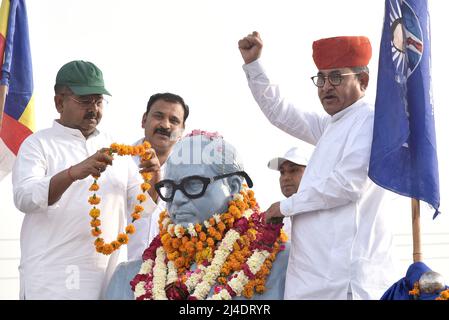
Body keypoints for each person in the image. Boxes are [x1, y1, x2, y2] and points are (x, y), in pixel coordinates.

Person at [238, 31, 396, 299]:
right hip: (311, 283)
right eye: (320, 79)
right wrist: (254, 65)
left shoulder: (368, 121)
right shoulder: (331, 126)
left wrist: (286, 206)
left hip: (344, 284)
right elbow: (280, 112)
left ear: (363, 81)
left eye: (336, 77)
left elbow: (348, 185)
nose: (325, 87)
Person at [12, 60, 157, 299]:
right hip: (50, 281)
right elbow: (24, 197)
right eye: (84, 101)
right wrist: (72, 173)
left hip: (103, 281)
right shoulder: (38, 144)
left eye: (98, 101)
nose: (94, 108)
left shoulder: (115, 149)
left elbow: (142, 208)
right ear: (59, 102)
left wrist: (155, 176)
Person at [105, 131, 289, 300]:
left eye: (192, 184)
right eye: (169, 187)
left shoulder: (284, 264)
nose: (176, 200)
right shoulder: (127, 279)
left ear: (233, 186)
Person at [128, 93, 189, 260]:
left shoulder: (188, 175)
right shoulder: (119, 163)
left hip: (164, 277)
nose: (165, 125)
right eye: (158, 116)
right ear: (144, 120)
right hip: (114, 273)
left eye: (174, 121)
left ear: (182, 131)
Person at [267, 146, 311, 237]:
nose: (285, 178)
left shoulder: (329, 209)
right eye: (282, 172)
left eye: (293, 170)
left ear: (311, 172)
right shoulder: (281, 218)